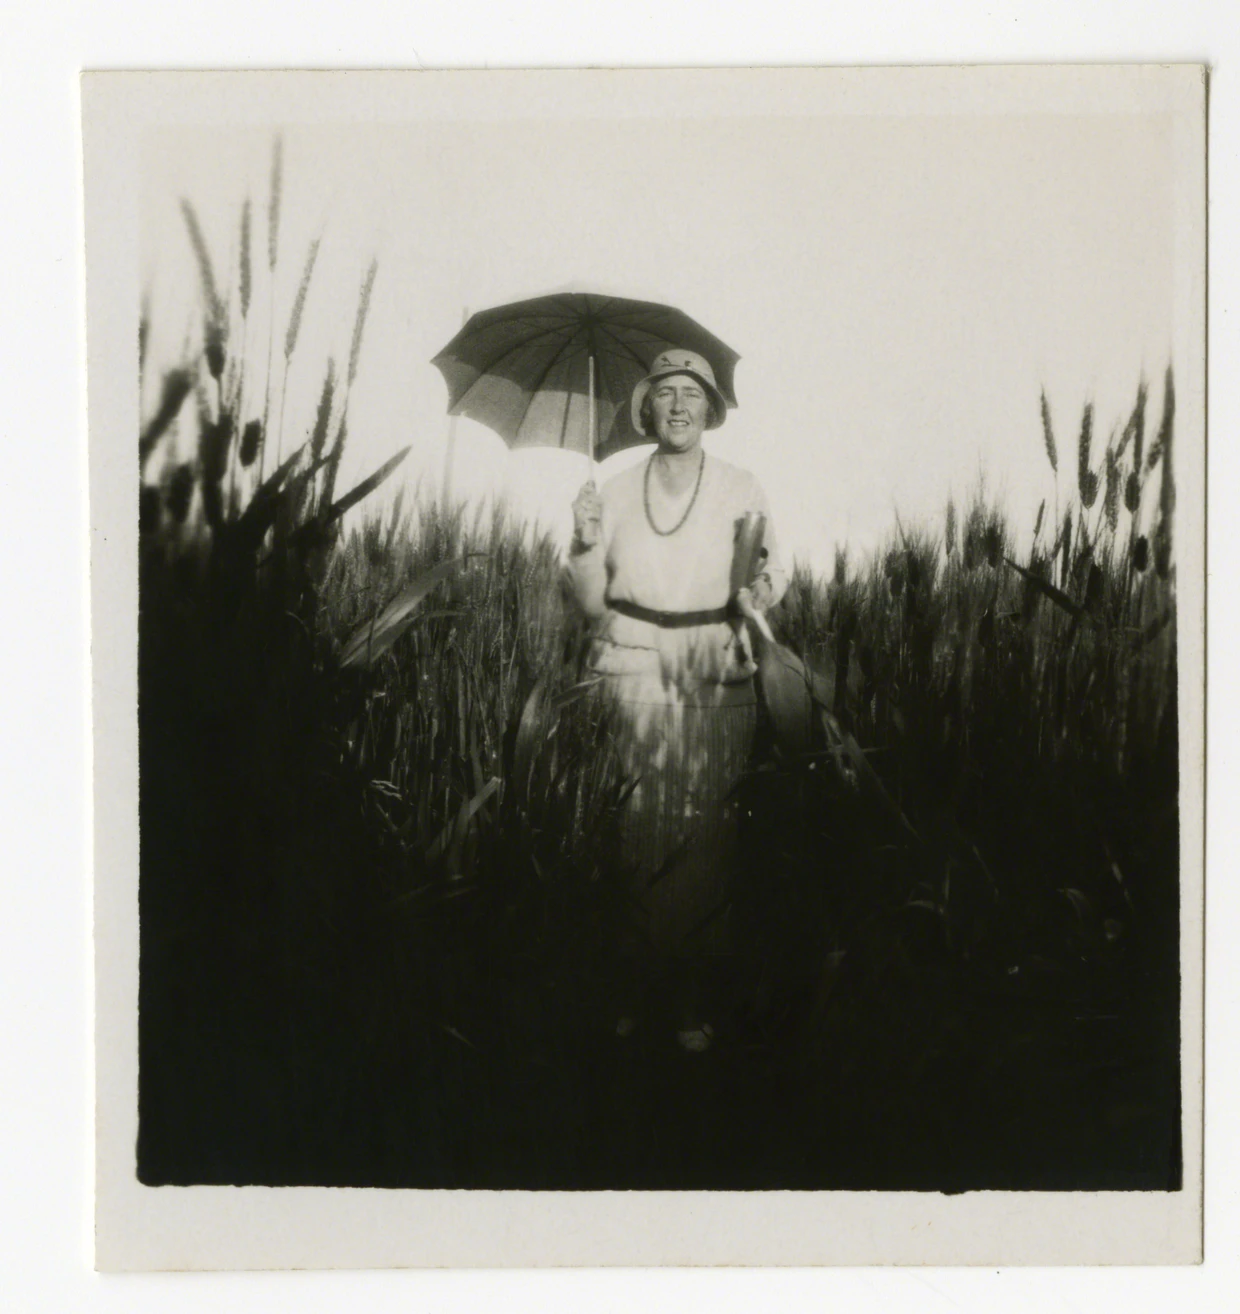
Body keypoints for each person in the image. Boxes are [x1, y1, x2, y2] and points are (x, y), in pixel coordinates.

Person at [565, 348, 787, 1052]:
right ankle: (633, 992)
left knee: (706, 844)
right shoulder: (612, 490)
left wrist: (760, 590)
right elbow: (591, 606)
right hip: (629, 672)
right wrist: (584, 543)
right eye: (666, 393)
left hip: (714, 675)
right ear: (647, 409)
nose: (680, 405)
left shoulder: (742, 486)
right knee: (632, 837)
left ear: (710, 410)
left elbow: (772, 570)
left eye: (693, 394)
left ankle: (692, 999)